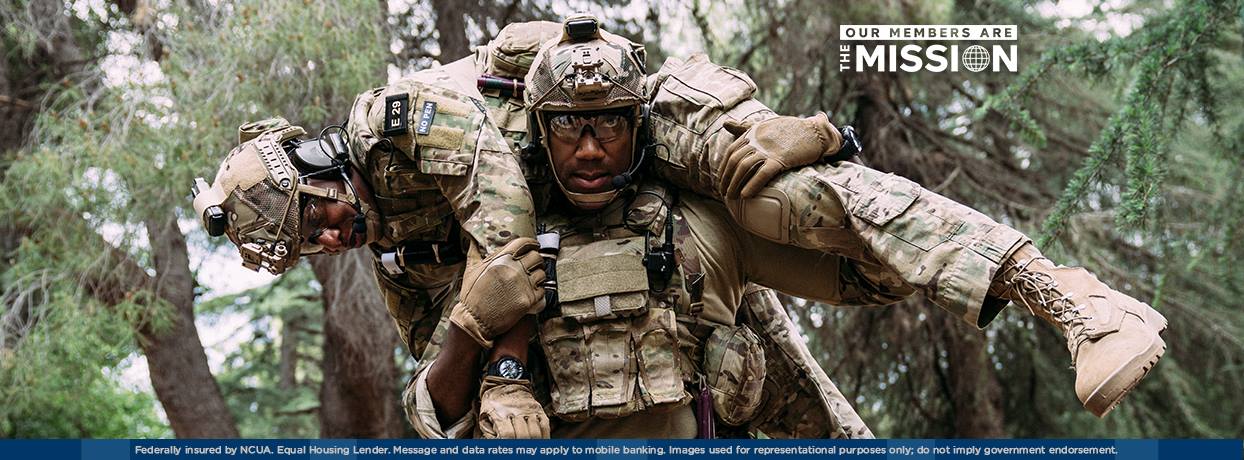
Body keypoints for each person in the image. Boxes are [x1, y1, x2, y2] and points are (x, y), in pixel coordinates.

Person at [411, 14, 1168, 437]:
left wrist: (829, 138)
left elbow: (878, 267)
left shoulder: (698, 222)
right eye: (567, 127)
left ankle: (1065, 296)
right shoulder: (502, 247)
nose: (588, 149)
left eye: (608, 124)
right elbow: (430, 419)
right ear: (537, 133)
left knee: (775, 192)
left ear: (638, 126)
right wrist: (471, 332)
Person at [191, 20, 874, 438]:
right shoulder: (401, 258)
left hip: (680, 242)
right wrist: (471, 331)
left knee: (818, 394)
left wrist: (814, 136)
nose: (330, 240)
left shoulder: (407, 118)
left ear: (318, 163)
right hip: (608, 377)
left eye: (316, 215)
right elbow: (436, 400)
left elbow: (505, 200)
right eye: (309, 245)